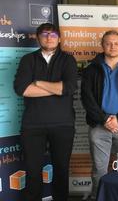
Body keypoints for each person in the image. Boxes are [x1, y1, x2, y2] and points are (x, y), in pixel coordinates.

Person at [13, 23, 77, 201]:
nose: (49, 37)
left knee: (61, 170)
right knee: (33, 172)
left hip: (63, 125)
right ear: (38, 37)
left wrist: (38, 82)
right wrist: (57, 88)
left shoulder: (68, 60)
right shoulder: (28, 60)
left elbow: (69, 87)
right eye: (45, 34)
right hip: (33, 125)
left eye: (53, 34)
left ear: (60, 38)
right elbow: (22, 89)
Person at [81, 30, 118, 199]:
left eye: (116, 43)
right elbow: (87, 98)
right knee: (99, 170)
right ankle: (98, 197)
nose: (112, 46)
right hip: (99, 126)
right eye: (108, 43)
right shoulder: (92, 69)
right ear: (102, 46)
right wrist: (105, 119)